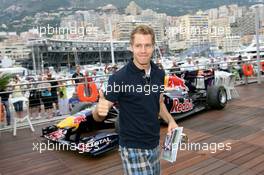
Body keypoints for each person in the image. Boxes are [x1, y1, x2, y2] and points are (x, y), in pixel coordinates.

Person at [92, 25, 178, 174]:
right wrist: (98, 111)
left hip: (154, 143)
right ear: (131, 47)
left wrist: (170, 120)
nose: (143, 50)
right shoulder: (119, 78)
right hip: (132, 147)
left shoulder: (159, 73)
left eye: (147, 45)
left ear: (153, 47)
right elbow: (98, 116)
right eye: (138, 45)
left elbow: (159, 102)